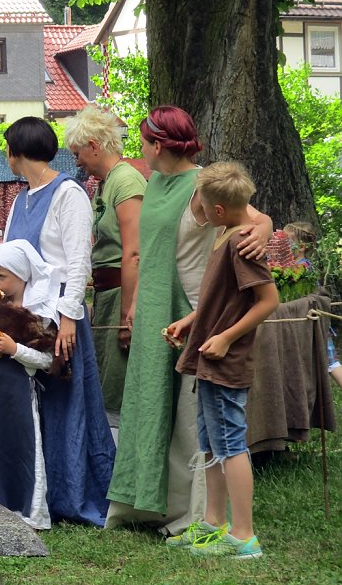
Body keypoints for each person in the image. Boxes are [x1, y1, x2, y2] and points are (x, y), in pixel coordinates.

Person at [105, 106, 273, 535]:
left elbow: (248, 217)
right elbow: (147, 248)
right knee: (147, 406)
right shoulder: (155, 181)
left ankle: (194, 514)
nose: (138, 150)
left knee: (186, 415)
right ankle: (143, 506)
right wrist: (135, 302)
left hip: (191, 305)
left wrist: (266, 225)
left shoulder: (201, 183)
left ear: (159, 144)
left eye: (143, 142)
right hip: (153, 308)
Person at [2, 116, 116, 526]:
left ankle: (72, 497)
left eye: (8, 150)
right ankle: (32, 494)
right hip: (24, 318)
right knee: (29, 409)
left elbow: (77, 260)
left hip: (59, 318)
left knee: (68, 407)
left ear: (16, 152)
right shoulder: (20, 199)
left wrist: (69, 319)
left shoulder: (69, 194)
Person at [165, 161, 278, 558]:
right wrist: (191, 321)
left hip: (227, 362)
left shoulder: (240, 242)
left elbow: (268, 300)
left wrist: (227, 338)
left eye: (198, 203)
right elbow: (222, 298)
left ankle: (244, 536)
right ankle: (214, 524)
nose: (195, 209)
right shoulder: (224, 234)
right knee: (212, 444)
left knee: (231, 445)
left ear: (216, 211)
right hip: (207, 357)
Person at [0, 240, 66, 529]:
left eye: (2, 277)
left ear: (22, 275)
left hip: (20, 394)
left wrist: (14, 349)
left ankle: (29, 510)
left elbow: (47, 361)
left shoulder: (38, 315)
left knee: (22, 446)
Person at [65, 106, 146, 426]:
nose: (77, 161)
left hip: (121, 294)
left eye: (77, 153)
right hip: (108, 294)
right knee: (107, 378)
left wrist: (128, 314)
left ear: (94, 145)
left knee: (118, 381)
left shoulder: (126, 181)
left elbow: (135, 253)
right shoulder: (105, 183)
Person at [283, 221, 342, 389]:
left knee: (331, 363)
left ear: (301, 247)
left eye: (286, 243)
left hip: (313, 322)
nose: (282, 246)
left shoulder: (302, 268)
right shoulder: (293, 267)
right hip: (304, 321)